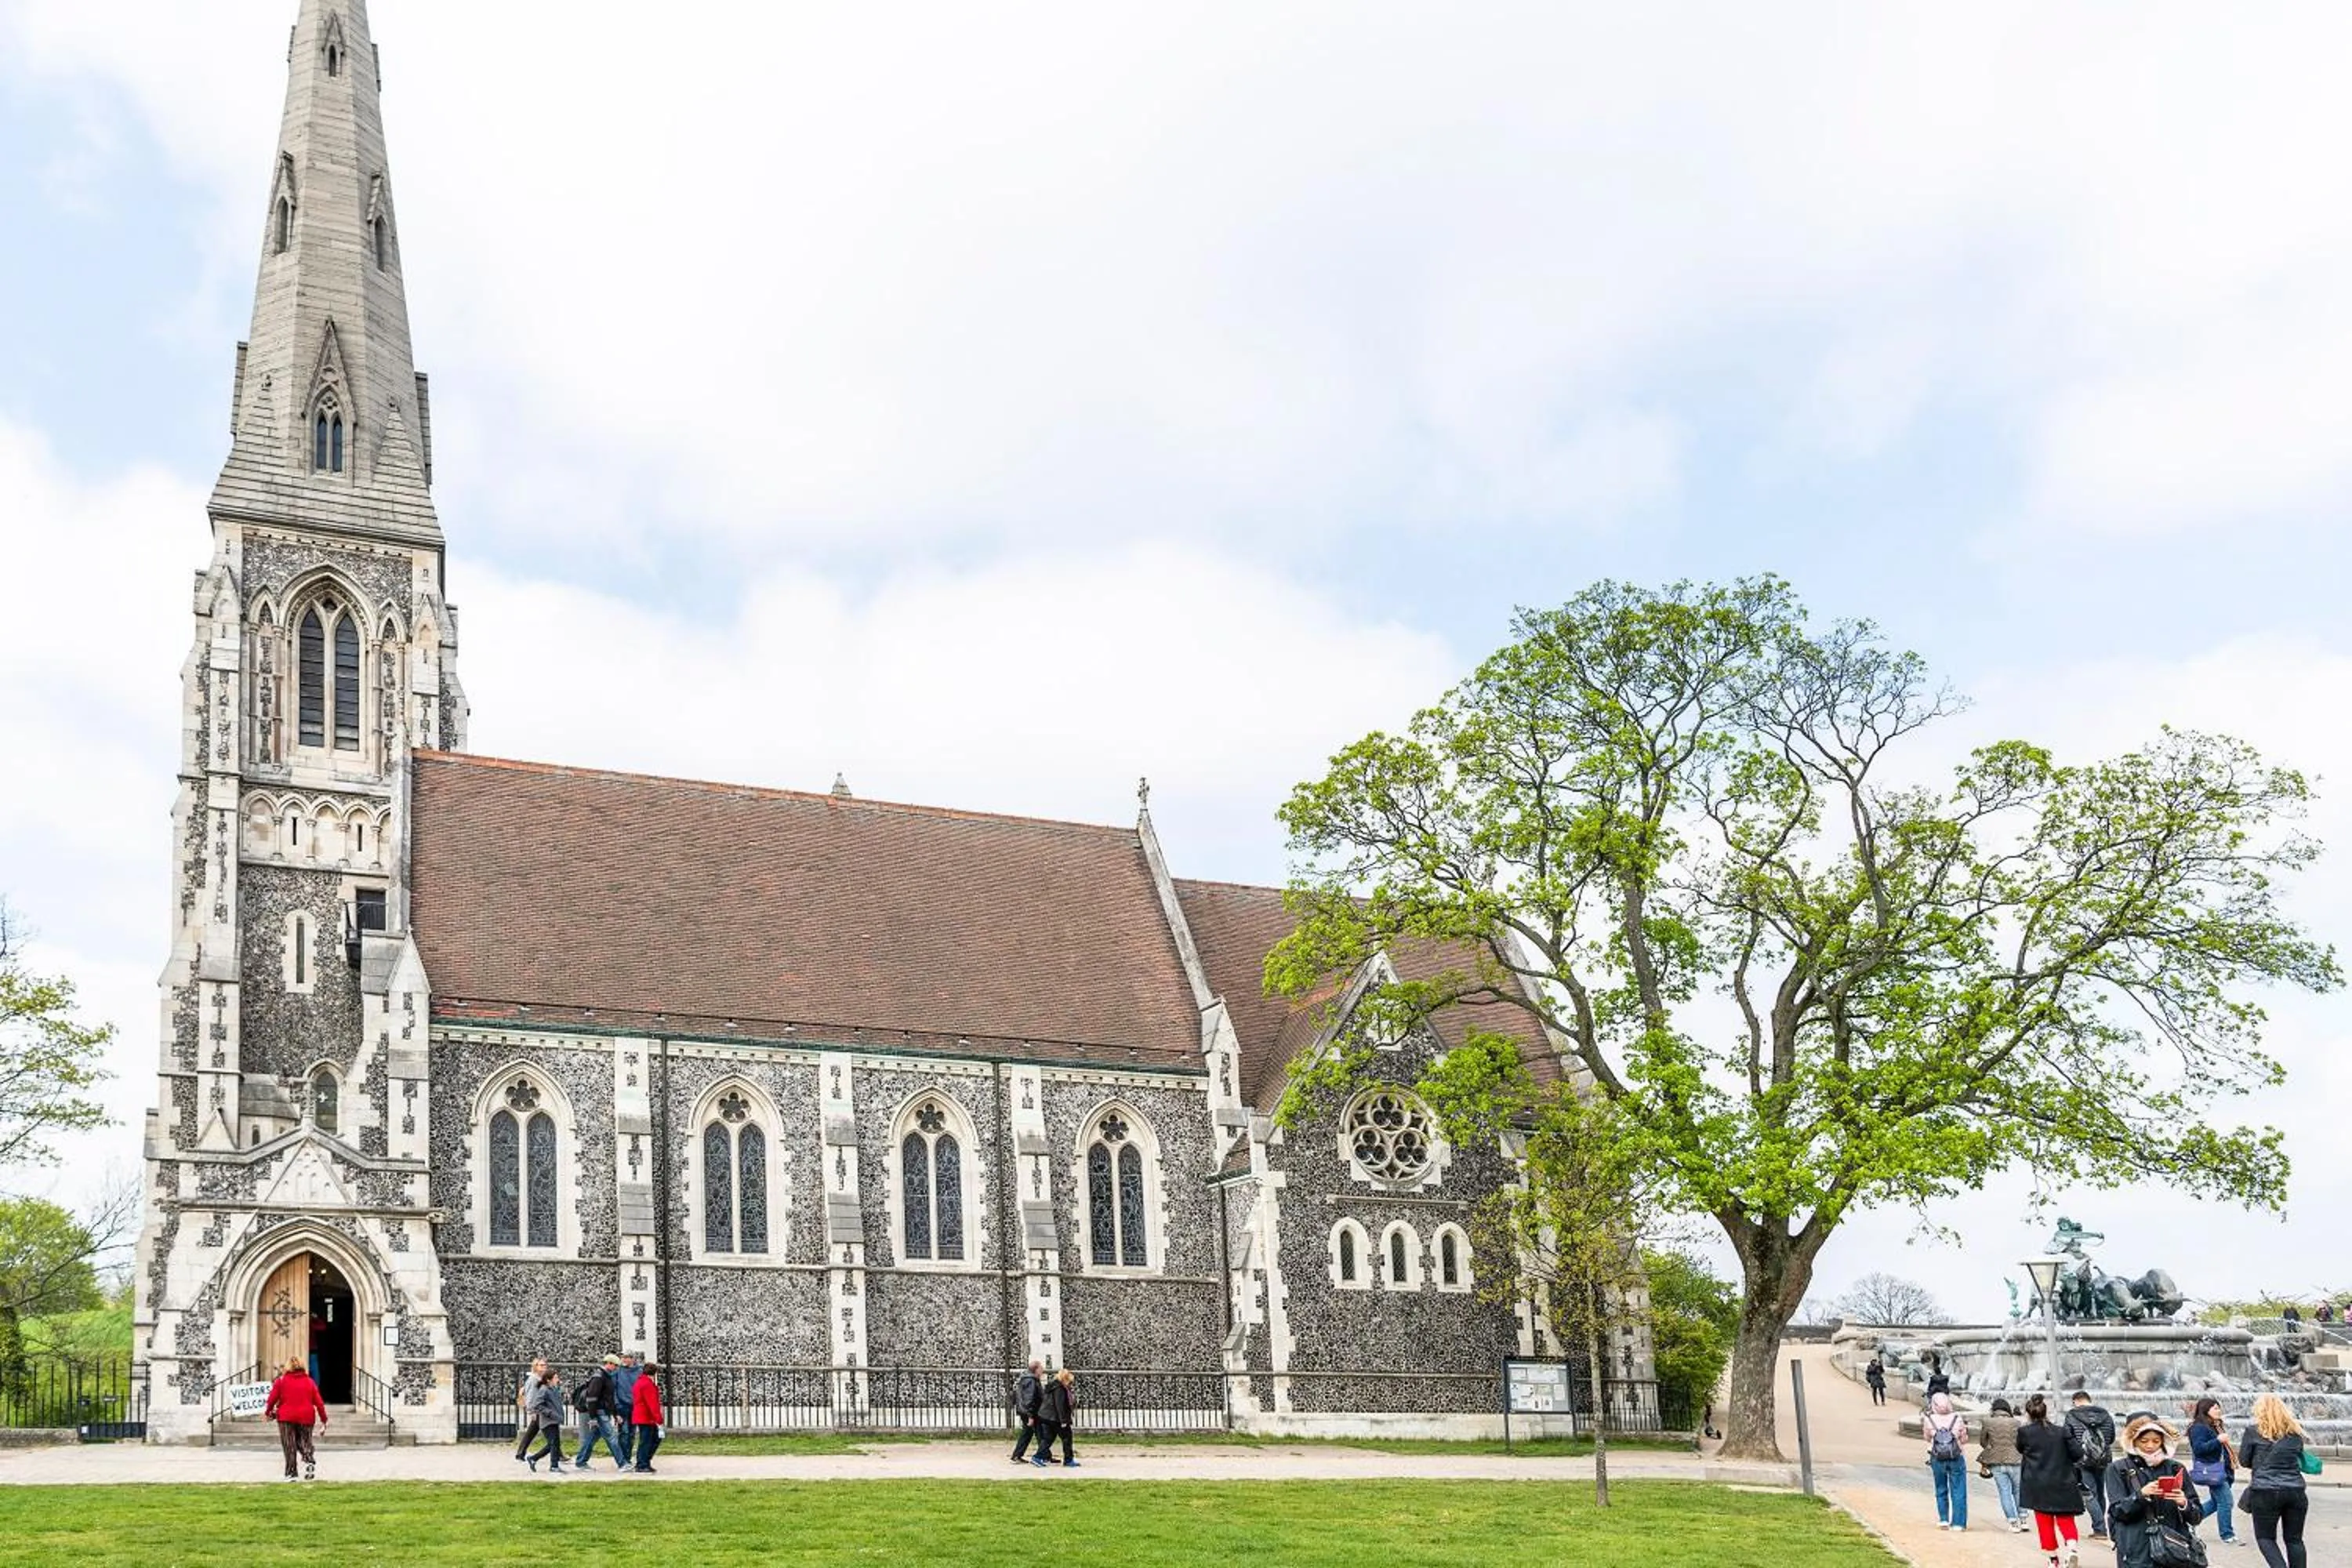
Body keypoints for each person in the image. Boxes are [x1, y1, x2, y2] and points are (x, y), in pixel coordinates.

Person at [2105, 1412, 2203, 1568]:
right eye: (2144, 1441)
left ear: (2163, 1441)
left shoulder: (2175, 1468)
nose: (2150, 1446)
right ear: (2133, 1440)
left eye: (2156, 1441)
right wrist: (2142, 1495)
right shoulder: (2118, 1469)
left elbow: (2197, 1516)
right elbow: (2118, 1511)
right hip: (2136, 1551)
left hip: (2174, 1551)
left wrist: (2183, 1503)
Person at [2238, 1392, 2314, 1568]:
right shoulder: (2295, 1433)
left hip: (2264, 1491)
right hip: (2295, 1490)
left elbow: (2244, 1461)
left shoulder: (2252, 1431)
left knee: (2265, 1538)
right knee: (2295, 1540)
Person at [2016, 1393, 2088, 1568]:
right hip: (2063, 1481)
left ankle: (2053, 1560)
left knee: (2044, 1523)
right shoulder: (2062, 1431)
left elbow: (2020, 1449)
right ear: (2046, 1411)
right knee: (2066, 1518)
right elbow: (2078, 1453)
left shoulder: (2024, 1432)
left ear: (2028, 1413)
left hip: (2037, 1483)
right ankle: (2072, 1550)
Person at [264, 1353, 328, 1483]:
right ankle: (308, 1458)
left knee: (289, 1444)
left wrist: (268, 1412)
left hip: (286, 1416)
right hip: (306, 1416)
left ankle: (291, 1473)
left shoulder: (281, 1381)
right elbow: (319, 1402)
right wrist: (324, 1420)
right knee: (305, 1441)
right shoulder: (310, 1382)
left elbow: (271, 1400)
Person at [2064, 1389, 2118, 1539]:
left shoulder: (2072, 1415)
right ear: (2089, 1399)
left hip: (2082, 1459)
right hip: (2104, 1459)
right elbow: (2112, 1438)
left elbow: (2067, 1437)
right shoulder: (2106, 1415)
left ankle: (2099, 1528)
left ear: (2075, 1401)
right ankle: (2102, 1527)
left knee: (2089, 1494)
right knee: (2101, 1494)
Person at [2187, 1396, 2238, 1546]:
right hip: (2212, 1470)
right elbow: (2199, 1449)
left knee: (2216, 1502)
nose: (2219, 1410)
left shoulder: (2214, 1426)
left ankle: (2190, 1520)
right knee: (2226, 1502)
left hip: (2223, 1469)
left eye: (2218, 1407)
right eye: (2215, 1408)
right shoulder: (2199, 1428)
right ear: (2206, 1410)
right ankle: (2227, 1534)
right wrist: (2218, 1440)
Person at [1979, 1396, 2027, 1533]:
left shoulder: (1987, 1422)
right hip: (2016, 1460)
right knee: (2018, 1491)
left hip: (1997, 1461)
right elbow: (2022, 1442)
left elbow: (1983, 1442)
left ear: (1994, 1409)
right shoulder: (2017, 1422)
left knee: (2004, 1492)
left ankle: (2013, 1522)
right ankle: (2023, 1520)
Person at [573, 1355, 629, 1471]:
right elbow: (592, 1398)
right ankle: (622, 1464)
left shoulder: (606, 1376)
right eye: (616, 1365)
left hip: (603, 1411)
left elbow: (609, 1398)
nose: (617, 1368)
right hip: (600, 1412)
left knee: (592, 1438)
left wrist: (615, 1414)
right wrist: (593, 1417)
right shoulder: (599, 1377)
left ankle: (581, 1462)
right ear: (609, 1364)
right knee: (611, 1437)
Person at [1924, 1392, 1969, 1530]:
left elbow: (1927, 1437)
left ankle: (1944, 1519)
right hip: (1956, 1457)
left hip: (1937, 1457)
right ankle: (1958, 1523)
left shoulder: (1929, 1419)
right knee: (1959, 1489)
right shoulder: (1957, 1418)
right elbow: (1964, 1438)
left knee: (1940, 1487)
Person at [524, 1368, 568, 1475]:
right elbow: (537, 1405)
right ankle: (554, 1466)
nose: (558, 1379)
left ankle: (533, 1459)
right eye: (556, 1378)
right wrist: (550, 1413)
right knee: (554, 1443)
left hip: (554, 1420)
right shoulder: (544, 1389)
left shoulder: (553, 1389)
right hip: (547, 1421)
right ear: (549, 1380)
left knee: (554, 1444)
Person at [1033, 1367, 1079, 1468]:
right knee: (1067, 1437)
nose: (1070, 1384)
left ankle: (1037, 1457)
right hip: (1055, 1418)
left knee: (1048, 1438)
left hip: (1047, 1416)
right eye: (1069, 1382)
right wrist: (1063, 1421)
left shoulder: (1053, 1386)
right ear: (1065, 1379)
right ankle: (1068, 1460)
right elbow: (1060, 1405)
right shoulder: (1060, 1389)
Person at [630, 1361, 664, 1474]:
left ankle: (643, 1462)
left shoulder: (640, 1382)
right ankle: (643, 1463)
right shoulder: (648, 1385)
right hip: (647, 1417)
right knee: (648, 1441)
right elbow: (653, 1404)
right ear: (655, 1374)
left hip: (641, 1416)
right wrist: (659, 1419)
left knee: (647, 1440)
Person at [513, 1354, 548, 1462]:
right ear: (535, 1366)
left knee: (532, 1432)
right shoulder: (534, 1380)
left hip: (540, 1410)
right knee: (551, 1433)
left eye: (545, 1365)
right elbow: (531, 1396)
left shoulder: (540, 1379)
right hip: (538, 1410)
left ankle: (520, 1454)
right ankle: (558, 1454)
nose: (544, 1367)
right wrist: (531, 1411)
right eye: (541, 1365)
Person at [1011, 1360, 1045, 1464]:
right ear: (1036, 1369)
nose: (1042, 1370)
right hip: (1030, 1412)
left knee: (1035, 1433)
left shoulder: (1028, 1379)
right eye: (1041, 1368)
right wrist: (1030, 1415)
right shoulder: (1031, 1381)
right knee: (1032, 1433)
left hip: (1028, 1411)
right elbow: (1029, 1399)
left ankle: (1045, 1454)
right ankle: (1017, 1456)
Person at [612, 1352, 641, 1457]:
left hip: (635, 1407)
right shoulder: (617, 1371)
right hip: (622, 1406)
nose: (624, 1360)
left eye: (626, 1358)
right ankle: (624, 1458)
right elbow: (614, 1389)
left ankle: (628, 1456)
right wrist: (616, 1404)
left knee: (632, 1433)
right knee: (624, 1432)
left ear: (632, 1359)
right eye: (623, 1358)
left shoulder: (639, 1372)